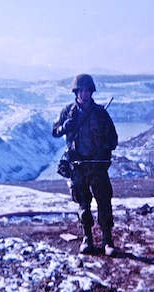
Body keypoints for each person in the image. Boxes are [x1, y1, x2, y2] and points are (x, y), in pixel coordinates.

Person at [52, 74, 118, 255]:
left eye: (87, 90)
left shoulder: (100, 113)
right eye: (81, 90)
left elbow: (113, 138)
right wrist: (65, 127)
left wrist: (103, 151)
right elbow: (54, 132)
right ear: (76, 92)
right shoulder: (68, 111)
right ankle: (87, 238)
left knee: (104, 202)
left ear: (91, 92)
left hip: (97, 166)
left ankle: (107, 240)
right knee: (83, 203)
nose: (84, 94)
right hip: (78, 166)